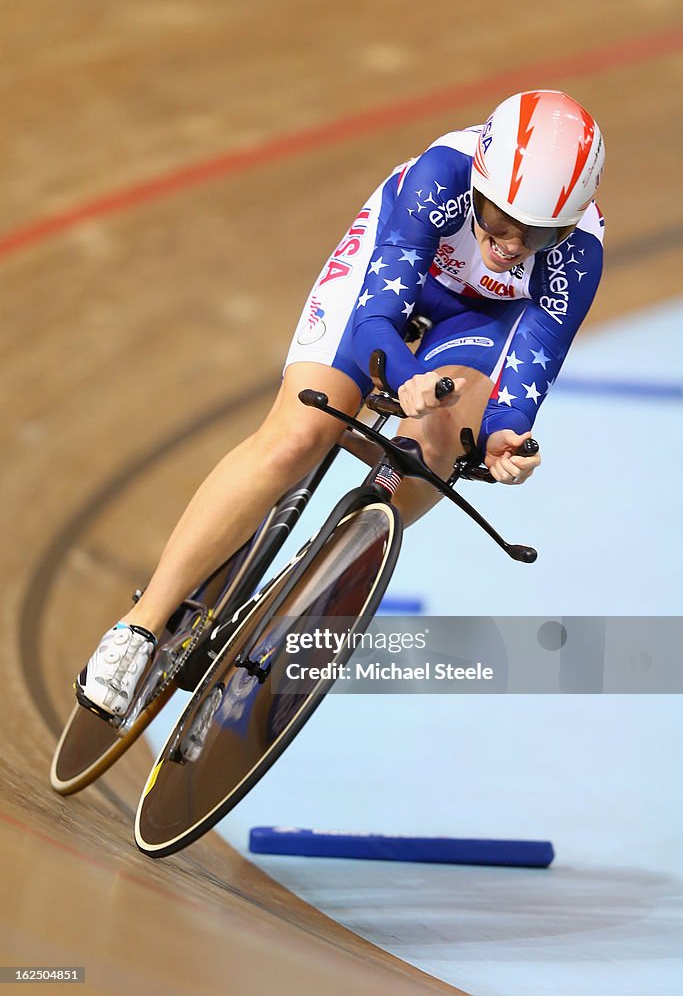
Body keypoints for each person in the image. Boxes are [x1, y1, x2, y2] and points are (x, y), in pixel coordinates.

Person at [77, 89, 605, 718]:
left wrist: (503, 438)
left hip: (478, 316)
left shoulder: (579, 255)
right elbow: (377, 319)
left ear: (569, 226)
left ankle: (320, 573)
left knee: (441, 444)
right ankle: (138, 627)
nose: (515, 244)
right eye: (498, 220)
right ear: (480, 184)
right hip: (398, 275)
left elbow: (526, 377)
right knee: (300, 433)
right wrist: (406, 376)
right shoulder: (441, 177)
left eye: (540, 232)